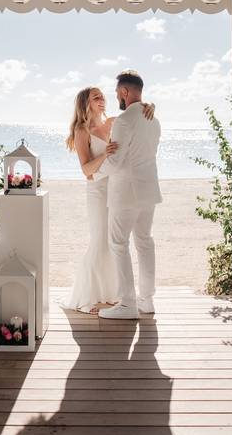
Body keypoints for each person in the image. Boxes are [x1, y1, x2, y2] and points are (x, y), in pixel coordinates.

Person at [62, 86, 154, 314]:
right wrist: (106, 154)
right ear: (86, 103)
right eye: (96, 98)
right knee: (100, 239)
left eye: (103, 96)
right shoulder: (82, 131)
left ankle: (114, 295)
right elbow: (86, 170)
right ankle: (89, 297)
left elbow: (135, 121)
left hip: (117, 188)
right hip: (97, 190)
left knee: (115, 243)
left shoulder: (114, 121)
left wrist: (150, 107)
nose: (102, 100)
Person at [97, 70, 162, 320]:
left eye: (117, 93)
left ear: (125, 92)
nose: (117, 98)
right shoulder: (153, 120)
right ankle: (147, 300)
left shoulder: (123, 121)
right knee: (144, 242)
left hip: (126, 193)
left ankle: (127, 303)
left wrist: (94, 173)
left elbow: (115, 161)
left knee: (118, 243)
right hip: (149, 190)